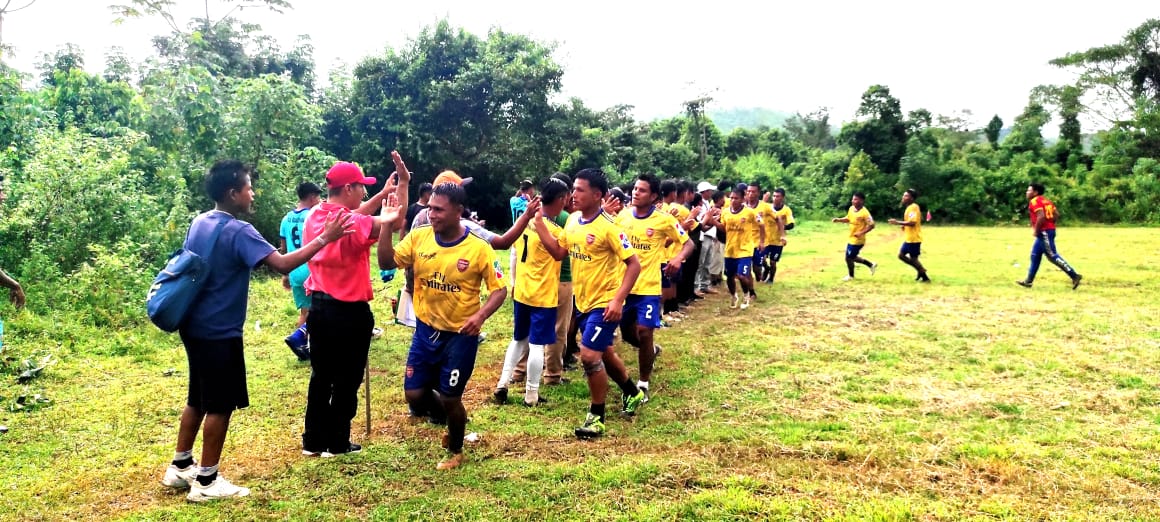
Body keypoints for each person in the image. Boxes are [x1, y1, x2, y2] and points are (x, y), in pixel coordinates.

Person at [161, 160, 353, 502]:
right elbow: (282, 262)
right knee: (219, 405)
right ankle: (206, 482)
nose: (252, 193)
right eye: (248, 187)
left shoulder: (200, 221)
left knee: (198, 396)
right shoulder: (238, 230)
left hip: (192, 324)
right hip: (219, 330)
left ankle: (180, 466)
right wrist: (326, 237)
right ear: (233, 194)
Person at [380, 182, 508, 470]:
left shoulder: (478, 248)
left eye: (438, 209)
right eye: (429, 208)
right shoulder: (418, 238)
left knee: (451, 396)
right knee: (414, 394)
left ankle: (456, 448)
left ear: (458, 212)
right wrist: (387, 226)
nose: (431, 214)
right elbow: (387, 261)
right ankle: (451, 418)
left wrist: (480, 316)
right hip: (425, 330)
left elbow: (500, 290)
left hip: (459, 336)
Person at [300, 154, 409, 460]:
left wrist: (380, 194)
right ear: (347, 188)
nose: (363, 192)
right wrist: (403, 185)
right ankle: (338, 441)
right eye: (361, 186)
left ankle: (313, 440)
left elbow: (358, 215)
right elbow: (396, 220)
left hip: (319, 309)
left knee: (321, 376)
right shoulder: (353, 222)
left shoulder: (316, 217)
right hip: (349, 313)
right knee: (347, 378)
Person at [540, 168, 644, 439]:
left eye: (580, 190)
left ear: (597, 195)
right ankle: (632, 393)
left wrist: (618, 300)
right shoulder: (573, 220)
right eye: (573, 189)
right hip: (582, 302)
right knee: (604, 353)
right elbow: (558, 252)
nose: (573, 194)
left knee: (589, 356)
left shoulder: (610, 228)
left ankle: (596, 416)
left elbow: (634, 264)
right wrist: (539, 223)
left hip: (604, 303)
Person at [615, 174, 693, 402]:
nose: (635, 193)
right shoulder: (622, 217)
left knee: (645, 331)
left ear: (654, 196)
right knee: (628, 335)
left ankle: (643, 383)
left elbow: (688, 243)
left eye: (641, 190)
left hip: (649, 287)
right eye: (635, 189)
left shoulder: (664, 220)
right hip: (624, 287)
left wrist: (678, 259)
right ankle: (651, 351)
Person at [494, 177, 570, 406]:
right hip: (543, 295)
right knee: (537, 345)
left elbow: (515, 253)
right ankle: (531, 395)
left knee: (518, 340)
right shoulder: (555, 230)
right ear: (559, 199)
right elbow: (559, 253)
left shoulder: (523, 221)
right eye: (565, 199)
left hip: (523, 291)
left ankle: (502, 384)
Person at [280, 182, 323, 360]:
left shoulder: (286, 218)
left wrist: (285, 274)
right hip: (310, 270)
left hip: (293, 270)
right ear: (312, 197)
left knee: (305, 310)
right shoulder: (313, 216)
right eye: (319, 197)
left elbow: (283, 248)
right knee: (313, 313)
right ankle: (299, 343)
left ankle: (305, 347)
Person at [1016, 183, 1082, 289]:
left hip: (1044, 232)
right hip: (1048, 230)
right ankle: (1028, 281)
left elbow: (1041, 216)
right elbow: (1056, 214)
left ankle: (1074, 276)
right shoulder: (1046, 201)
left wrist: (1037, 230)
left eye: (1029, 190)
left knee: (1052, 256)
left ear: (1035, 192)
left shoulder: (1034, 201)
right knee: (1035, 255)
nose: (1027, 192)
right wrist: (1050, 224)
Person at [715, 184, 763, 309]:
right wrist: (712, 221)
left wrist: (762, 242)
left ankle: (747, 295)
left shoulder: (749, 212)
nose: (733, 201)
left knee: (742, 275)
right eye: (731, 198)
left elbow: (761, 225)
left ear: (742, 199)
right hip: (730, 249)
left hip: (745, 249)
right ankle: (733, 296)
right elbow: (723, 228)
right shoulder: (725, 212)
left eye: (736, 198)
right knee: (730, 277)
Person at [887, 188, 930, 283]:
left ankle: (924, 275)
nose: (903, 197)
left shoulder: (913, 207)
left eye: (906, 196)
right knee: (905, 256)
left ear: (912, 198)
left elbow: (913, 222)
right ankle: (921, 272)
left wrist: (897, 222)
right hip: (909, 238)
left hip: (913, 238)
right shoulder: (909, 207)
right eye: (904, 195)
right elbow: (911, 221)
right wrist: (903, 225)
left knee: (908, 257)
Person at [832, 192, 876, 281]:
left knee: (849, 258)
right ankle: (870, 265)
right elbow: (848, 218)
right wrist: (839, 220)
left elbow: (871, 225)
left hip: (858, 240)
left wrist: (861, 233)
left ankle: (851, 276)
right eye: (853, 199)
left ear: (861, 201)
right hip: (851, 238)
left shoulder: (865, 213)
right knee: (851, 257)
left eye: (855, 199)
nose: (853, 201)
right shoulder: (851, 209)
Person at [744, 182, 775, 291]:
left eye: (753, 191)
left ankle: (763, 269)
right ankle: (751, 292)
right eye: (748, 191)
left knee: (757, 269)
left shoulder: (765, 206)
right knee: (746, 268)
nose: (750, 194)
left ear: (758, 193)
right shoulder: (742, 206)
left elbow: (778, 218)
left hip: (760, 242)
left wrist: (782, 234)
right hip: (746, 242)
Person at [693, 183, 721, 296]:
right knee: (700, 262)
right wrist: (713, 219)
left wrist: (713, 218)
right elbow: (701, 222)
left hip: (709, 235)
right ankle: (697, 286)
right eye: (709, 191)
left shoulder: (707, 203)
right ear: (704, 192)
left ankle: (705, 284)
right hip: (703, 235)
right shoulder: (698, 205)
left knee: (707, 262)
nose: (711, 193)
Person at [764, 188, 792, 283]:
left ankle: (771, 278)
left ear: (783, 198)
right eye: (774, 196)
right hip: (766, 239)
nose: (775, 198)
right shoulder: (768, 208)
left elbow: (791, 224)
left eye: (778, 196)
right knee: (761, 259)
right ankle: (766, 268)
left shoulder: (786, 210)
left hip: (777, 241)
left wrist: (782, 227)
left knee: (773, 262)